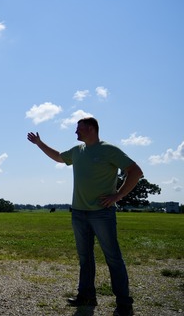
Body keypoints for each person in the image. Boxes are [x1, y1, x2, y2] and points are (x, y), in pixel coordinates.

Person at [27, 117, 142, 316]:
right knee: (85, 258)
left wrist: (118, 195)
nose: (75, 133)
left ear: (90, 129)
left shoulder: (109, 150)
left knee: (113, 258)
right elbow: (58, 157)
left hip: (102, 214)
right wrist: (39, 144)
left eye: (78, 129)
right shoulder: (77, 151)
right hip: (79, 213)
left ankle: (124, 302)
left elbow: (136, 171)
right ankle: (86, 296)